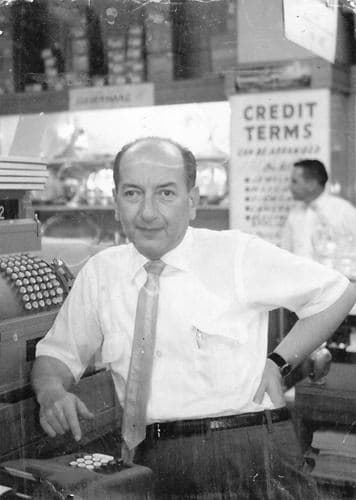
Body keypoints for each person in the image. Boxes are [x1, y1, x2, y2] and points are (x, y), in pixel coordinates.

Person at [32, 138, 356, 500]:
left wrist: (279, 361)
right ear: (115, 202)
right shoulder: (101, 273)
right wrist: (51, 392)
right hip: (150, 459)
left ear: (193, 201)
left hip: (245, 452)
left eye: (166, 193)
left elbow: (337, 293)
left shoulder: (234, 254)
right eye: (133, 193)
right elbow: (57, 355)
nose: (148, 213)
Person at [281, 159, 356, 260]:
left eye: (295, 181)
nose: (290, 186)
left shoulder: (343, 211)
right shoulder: (295, 213)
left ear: (311, 184)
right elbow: (285, 251)